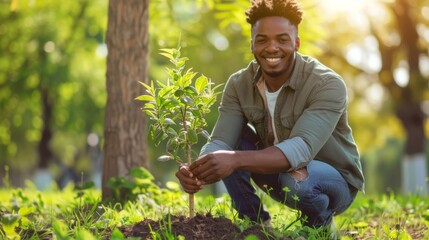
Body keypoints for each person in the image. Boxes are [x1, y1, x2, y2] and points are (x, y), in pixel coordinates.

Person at [175, 0, 365, 232]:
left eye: (282, 40)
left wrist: (234, 159)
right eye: (262, 40)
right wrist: (198, 170)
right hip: (277, 175)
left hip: (329, 181)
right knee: (233, 145)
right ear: (252, 44)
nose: (272, 48)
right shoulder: (238, 84)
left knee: (300, 182)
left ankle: (319, 228)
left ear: (296, 43)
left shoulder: (327, 83)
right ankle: (256, 224)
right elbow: (221, 142)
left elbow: (301, 148)